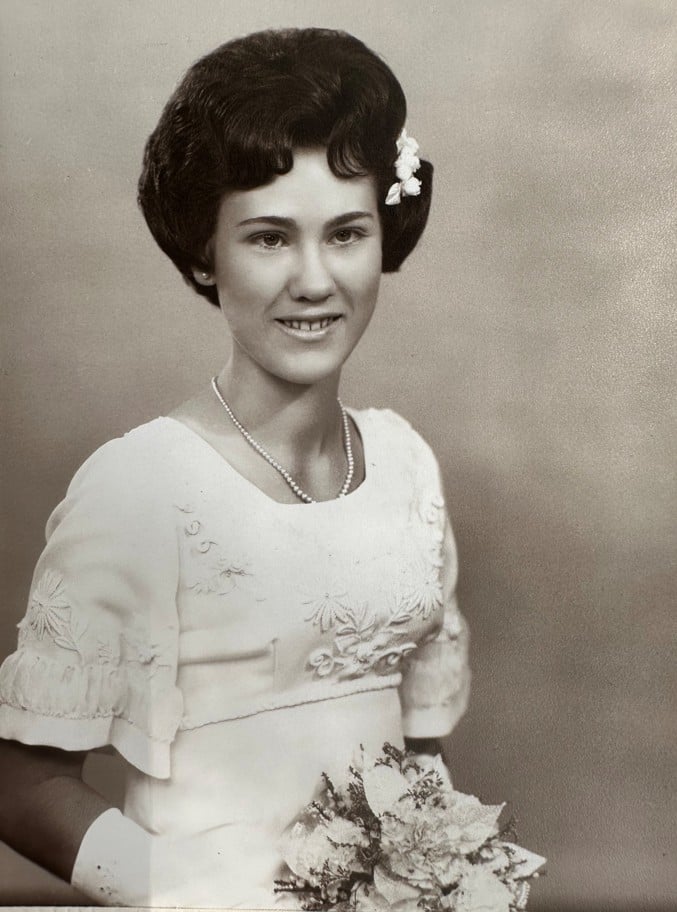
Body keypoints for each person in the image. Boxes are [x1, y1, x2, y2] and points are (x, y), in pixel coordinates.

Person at [0, 27, 469, 908]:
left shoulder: (406, 464)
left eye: (345, 233)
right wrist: (182, 886)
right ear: (202, 255)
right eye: (267, 238)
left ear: (384, 237)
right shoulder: (142, 486)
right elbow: (18, 780)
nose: (313, 279)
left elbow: (418, 747)